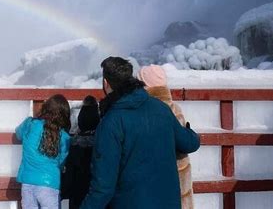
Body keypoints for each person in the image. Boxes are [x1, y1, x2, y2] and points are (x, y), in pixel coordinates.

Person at [80, 57, 200, 209]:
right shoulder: (161, 108)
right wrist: (190, 131)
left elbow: (103, 188)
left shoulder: (111, 122)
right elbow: (189, 143)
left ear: (106, 83)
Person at [139, 65, 195, 209]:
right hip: (179, 176)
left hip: (160, 181)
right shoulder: (175, 108)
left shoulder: (146, 110)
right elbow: (184, 141)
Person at [16, 94, 71, 209]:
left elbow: (18, 134)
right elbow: (61, 162)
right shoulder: (64, 137)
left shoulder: (30, 124)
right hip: (50, 185)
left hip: (27, 182)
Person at [61, 95, 100, 208]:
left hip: (77, 196)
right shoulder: (102, 144)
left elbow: (69, 176)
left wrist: (63, 192)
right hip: (97, 196)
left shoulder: (74, 145)